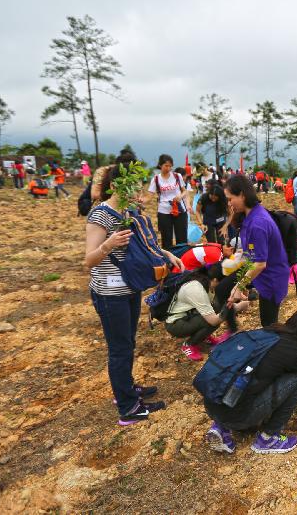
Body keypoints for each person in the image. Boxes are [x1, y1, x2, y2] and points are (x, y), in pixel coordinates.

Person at [85, 163, 184, 425]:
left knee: (127, 342)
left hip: (129, 288)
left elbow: (145, 245)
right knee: (119, 348)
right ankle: (127, 408)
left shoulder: (128, 213)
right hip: (109, 293)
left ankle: (125, 388)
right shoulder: (100, 216)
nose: (139, 192)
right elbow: (88, 260)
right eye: (133, 186)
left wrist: (168, 254)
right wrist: (107, 245)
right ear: (117, 185)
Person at [204, 304, 297, 454]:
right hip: (237, 416)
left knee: (250, 378)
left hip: (212, 402)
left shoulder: (271, 330)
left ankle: (220, 427)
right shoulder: (296, 352)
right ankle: (268, 438)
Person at [224, 174, 289, 326]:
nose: (229, 203)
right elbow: (252, 254)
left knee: (269, 325)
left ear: (241, 194)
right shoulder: (251, 215)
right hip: (265, 277)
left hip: (271, 279)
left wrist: (239, 286)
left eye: (230, 198)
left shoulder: (257, 223)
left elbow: (260, 263)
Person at [166, 264, 246, 361]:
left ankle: (203, 336)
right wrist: (233, 308)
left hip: (188, 315)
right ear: (216, 280)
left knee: (217, 305)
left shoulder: (205, 281)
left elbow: (217, 305)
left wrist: (235, 304)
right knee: (213, 322)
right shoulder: (197, 289)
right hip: (175, 324)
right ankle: (188, 345)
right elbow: (213, 320)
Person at [147, 154, 189, 250]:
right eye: (166, 165)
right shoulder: (156, 179)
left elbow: (185, 191)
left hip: (180, 210)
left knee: (182, 238)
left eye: (170, 166)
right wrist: (140, 200)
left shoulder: (177, 176)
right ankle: (169, 262)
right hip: (164, 211)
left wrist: (180, 196)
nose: (168, 168)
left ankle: (182, 259)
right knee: (166, 238)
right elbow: (149, 197)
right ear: (160, 165)